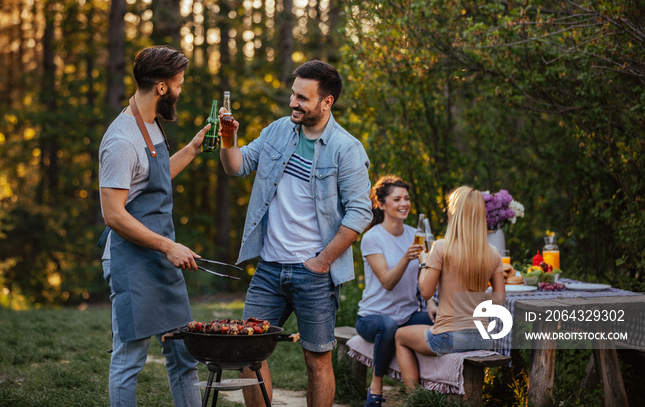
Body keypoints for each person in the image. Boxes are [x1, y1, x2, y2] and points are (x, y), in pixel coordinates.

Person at [219, 60, 373, 406]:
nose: (293, 102)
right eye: (293, 94)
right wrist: (228, 137)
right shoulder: (277, 131)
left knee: (317, 360)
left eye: (303, 97)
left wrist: (321, 263)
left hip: (313, 273)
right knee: (247, 353)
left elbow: (361, 213)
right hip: (269, 268)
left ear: (326, 102)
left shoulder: (346, 149)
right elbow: (237, 166)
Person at [97, 45, 210, 406]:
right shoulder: (121, 140)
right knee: (130, 357)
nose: (181, 90)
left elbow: (153, 178)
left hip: (162, 256)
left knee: (182, 355)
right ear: (162, 87)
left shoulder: (151, 124)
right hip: (131, 259)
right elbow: (114, 214)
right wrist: (167, 245)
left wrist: (192, 148)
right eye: (178, 83)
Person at [394, 186, 505, 391]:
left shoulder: (441, 247)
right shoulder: (493, 252)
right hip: (483, 338)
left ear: (454, 213)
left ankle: (415, 399)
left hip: (449, 336)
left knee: (400, 336)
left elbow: (426, 293)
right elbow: (499, 301)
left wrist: (423, 263)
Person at [356, 175, 436, 406]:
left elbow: (425, 272)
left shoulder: (415, 234)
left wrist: (430, 301)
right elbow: (387, 281)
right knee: (388, 326)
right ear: (381, 204)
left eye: (407, 198)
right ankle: (376, 386)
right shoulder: (372, 238)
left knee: (443, 321)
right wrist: (405, 257)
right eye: (397, 199)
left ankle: (424, 390)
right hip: (373, 317)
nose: (404, 204)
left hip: (408, 315)